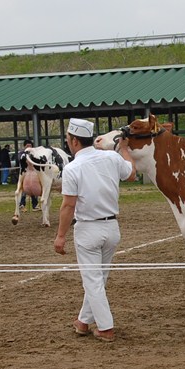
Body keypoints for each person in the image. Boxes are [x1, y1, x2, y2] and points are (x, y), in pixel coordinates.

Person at [54, 118, 136, 343]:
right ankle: (83, 322)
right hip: (112, 227)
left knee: (92, 280)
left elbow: (68, 205)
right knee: (98, 278)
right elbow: (131, 174)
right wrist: (125, 149)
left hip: (88, 228)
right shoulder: (111, 157)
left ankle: (106, 328)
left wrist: (60, 236)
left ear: (74, 141)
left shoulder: (72, 168)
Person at [18, 139, 39, 212]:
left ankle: (35, 205)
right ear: (24, 146)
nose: (29, 147)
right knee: (24, 190)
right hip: (24, 174)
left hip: (32, 175)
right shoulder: (22, 154)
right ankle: (22, 205)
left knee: (33, 189)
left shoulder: (34, 154)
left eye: (30, 146)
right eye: (27, 146)